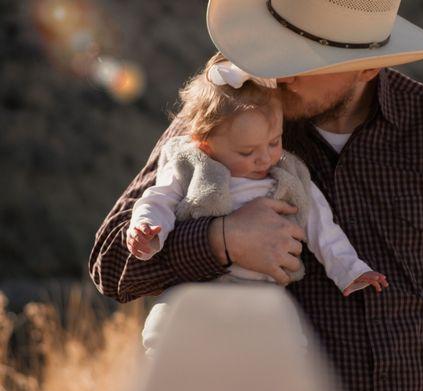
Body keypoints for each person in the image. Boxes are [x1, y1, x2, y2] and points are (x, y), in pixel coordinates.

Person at [89, 0, 423, 391]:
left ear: (369, 66)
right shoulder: (229, 115)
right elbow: (111, 266)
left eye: (302, 61)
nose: (279, 73)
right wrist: (221, 239)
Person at [126, 54, 388, 355]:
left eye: (274, 143)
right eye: (247, 151)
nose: (264, 158)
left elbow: (323, 228)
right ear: (205, 143)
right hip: (195, 288)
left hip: (263, 292)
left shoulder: (289, 177)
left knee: (286, 342)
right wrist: (147, 230)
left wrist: (351, 270)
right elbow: (157, 199)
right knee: (168, 329)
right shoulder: (190, 161)